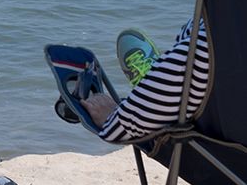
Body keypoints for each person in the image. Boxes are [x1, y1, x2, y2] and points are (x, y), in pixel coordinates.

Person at [81, 20, 210, 143]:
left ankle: (152, 84)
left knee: (201, 28)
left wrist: (114, 119)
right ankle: (158, 79)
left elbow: (122, 130)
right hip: (228, 149)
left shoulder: (214, 37)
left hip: (197, 141)